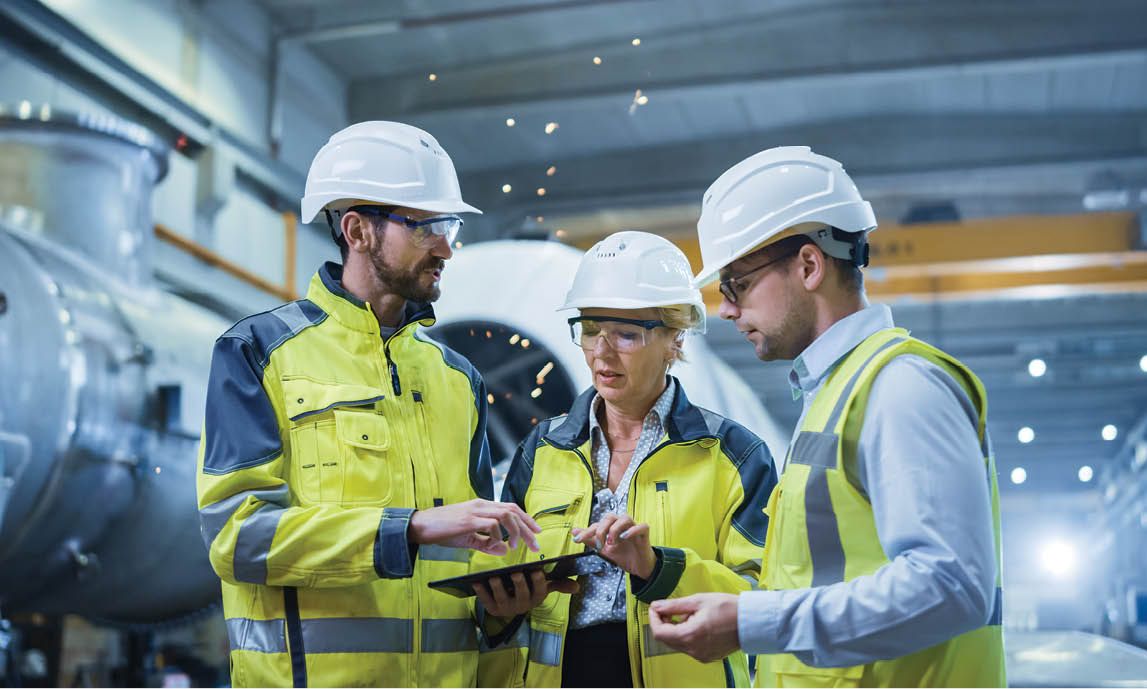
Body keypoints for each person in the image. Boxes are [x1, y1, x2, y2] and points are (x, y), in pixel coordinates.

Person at [195, 121, 547, 687]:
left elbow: (473, 552)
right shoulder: (257, 353)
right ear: (357, 231)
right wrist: (406, 530)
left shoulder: (459, 379)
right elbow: (236, 538)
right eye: (426, 226)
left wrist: (499, 608)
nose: (447, 248)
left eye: (449, 225)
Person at [647, 148, 1005, 687]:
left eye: (737, 284)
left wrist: (752, 623)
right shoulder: (835, 394)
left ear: (810, 266)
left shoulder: (899, 387)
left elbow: (951, 586)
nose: (725, 309)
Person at [473, 231, 777, 687]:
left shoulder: (733, 455)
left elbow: (762, 601)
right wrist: (498, 608)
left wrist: (658, 567)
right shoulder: (542, 450)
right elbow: (492, 584)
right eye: (591, 330)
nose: (601, 352)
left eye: (626, 335)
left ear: (675, 338)